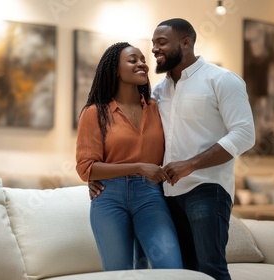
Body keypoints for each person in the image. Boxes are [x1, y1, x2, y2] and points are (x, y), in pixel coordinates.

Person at [89, 19, 255, 280]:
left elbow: (245, 134)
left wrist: (191, 164)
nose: (154, 49)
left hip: (207, 188)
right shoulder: (157, 93)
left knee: (211, 267)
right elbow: (136, 145)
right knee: (183, 272)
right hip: (166, 194)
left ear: (186, 42)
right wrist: (102, 177)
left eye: (161, 42)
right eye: (153, 43)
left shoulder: (221, 80)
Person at [75, 42, 183, 271]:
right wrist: (139, 167)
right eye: (133, 60)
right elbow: (86, 168)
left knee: (172, 269)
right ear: (115, 69)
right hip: (109, 198)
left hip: (150, 196)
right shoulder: (95, 113)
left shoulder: (156, 108)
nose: (142, 64)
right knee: (119, 275)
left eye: (143, 59)